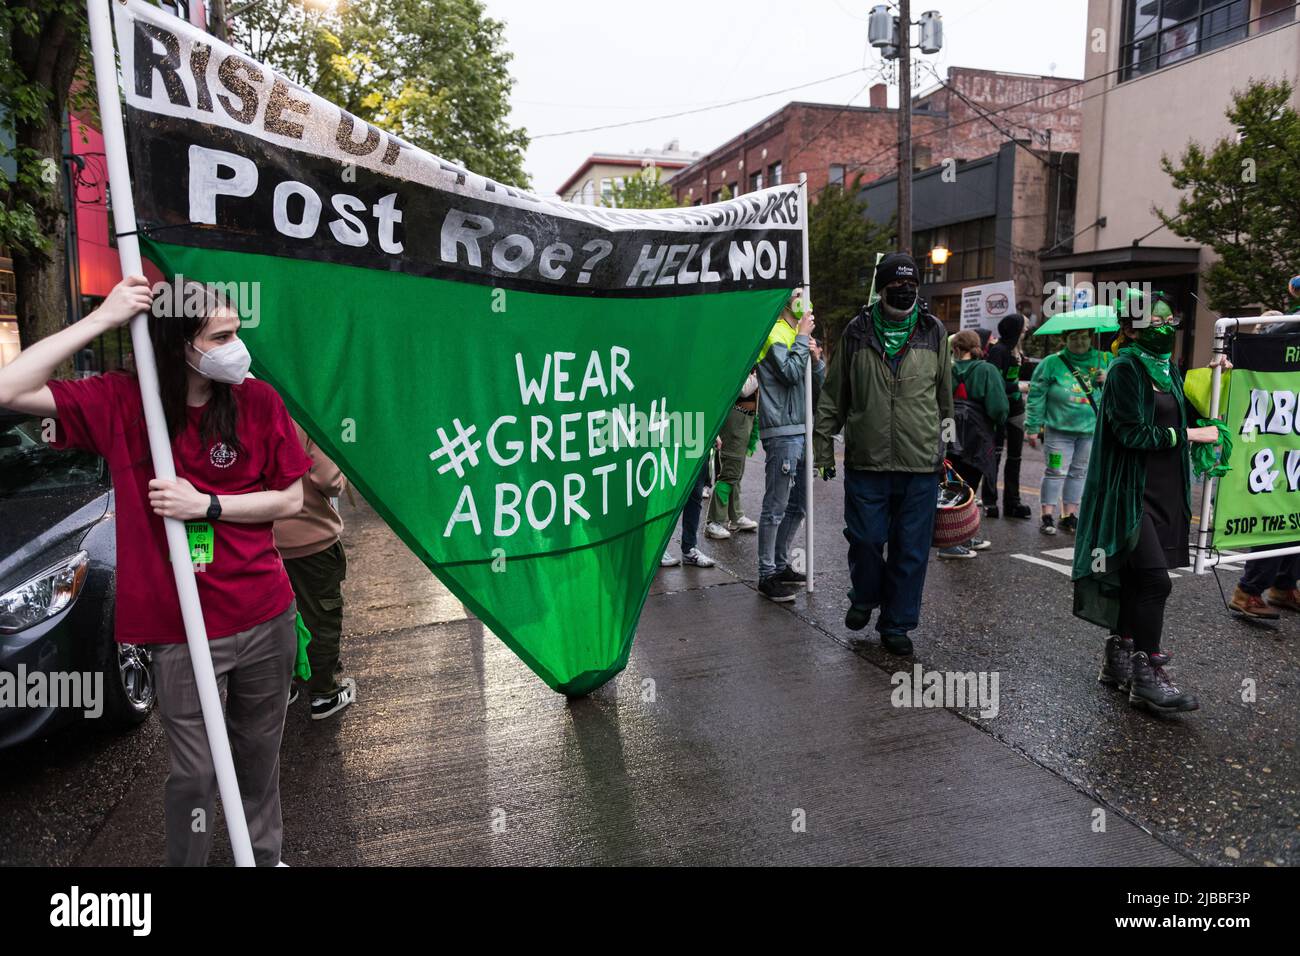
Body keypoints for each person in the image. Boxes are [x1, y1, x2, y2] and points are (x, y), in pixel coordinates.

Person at [0, 276, 312, 863]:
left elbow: (290, 499)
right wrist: (101, 318)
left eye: (235, 334)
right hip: (182, 630)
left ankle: (264, 857)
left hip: (265, 614)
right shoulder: (123, 403)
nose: (234, 348)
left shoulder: (257, 400)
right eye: (220, 337)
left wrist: (208, 506)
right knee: (194, 773)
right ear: (178, 346)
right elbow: (9, 388)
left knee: (258, 754)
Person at [1072, 292, 1220, 714]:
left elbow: (1188, 412)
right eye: (1157, 321)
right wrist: (1190, 437)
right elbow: (1132, 434)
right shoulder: (1125, 368)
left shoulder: (1166, 367)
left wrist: (1214, 376)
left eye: (1170, 319)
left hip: (1163, 491)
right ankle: (1146, 674)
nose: (1167, 327)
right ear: (1132, 328)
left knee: (1138, 581)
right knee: (1156, 582)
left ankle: (1119, 657)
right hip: (1126, 493)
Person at [814, 253, 952, 655]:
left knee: (911, 549)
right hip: (866, 461)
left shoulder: (933, 331)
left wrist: (947, 445)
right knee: (866, 539)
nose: (905, 291)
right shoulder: (856, 332)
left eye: (911, 285)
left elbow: (944, 395)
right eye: (896, 285)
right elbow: (834, 395)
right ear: (882, 287)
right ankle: (864, 595)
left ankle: (897, 623)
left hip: (920, 462)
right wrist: (824, 445)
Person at [274, 422, 357, 719]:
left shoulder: (245, 403)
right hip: (311, 539)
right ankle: (324, 692)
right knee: (320, 617)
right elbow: (328, 478)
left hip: (262, 541)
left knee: (277, 618)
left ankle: (283, 688)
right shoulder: (301, 411)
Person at [754, 291, 824, 602]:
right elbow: (790, 373)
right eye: (797, 294)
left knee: (800, 504)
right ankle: (766, 573)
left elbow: (817, 384)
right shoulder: (774, 333)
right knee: (776, 506)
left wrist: (817, 360)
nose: (804, 299)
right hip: (782, 430)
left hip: (803, 429)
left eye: (806, 294)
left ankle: (781, 565)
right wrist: (801, 339)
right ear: (786, 301)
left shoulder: (799, 336)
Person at [1025, 328, 1109, 536]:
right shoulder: (1051, 363)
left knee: (1079, 472)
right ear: (1065, 340)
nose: (1079, 341)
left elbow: (1122, 391)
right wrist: (1033, 427)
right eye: (1073, 337)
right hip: (1058, 431)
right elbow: (1036, 396)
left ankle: (1068, 515)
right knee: (1055, 471)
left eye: (1083, 337)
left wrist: (1108, 379)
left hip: (1090, 431)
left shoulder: (1105, 360)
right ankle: (1047, 515)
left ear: (1091, 338)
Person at [941, 329, 1007, 559]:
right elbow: (999, 407)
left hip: (948, 430)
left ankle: (959, 536)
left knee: (951, 484)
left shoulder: (946, 370)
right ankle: (953, 542)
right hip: (977, 435)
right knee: (969, 486)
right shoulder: (986, 370)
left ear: (956, 348)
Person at [982, 313, 1032, 519]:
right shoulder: (998, 351)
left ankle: (1013, 503)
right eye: (1024, 326)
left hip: (1016, 410)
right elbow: (994, 383)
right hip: (999, 411)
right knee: (994, 457)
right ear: (1015, 329)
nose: (1027, 329)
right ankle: (990, 502)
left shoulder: (1017, 351)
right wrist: (1018, 385)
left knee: (1015, 458)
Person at [704, 369, 759, 540]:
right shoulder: (739, 357)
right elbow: (743, 389)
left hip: (746, 419)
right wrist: (759, 375)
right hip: (736, 419)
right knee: (730, 472)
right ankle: (714, 522)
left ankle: (735, 516)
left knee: (737, 471)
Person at [662, 437, 721, 569]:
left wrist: (714, 432)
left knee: (695, 495)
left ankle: (689, 549)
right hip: (673, 433)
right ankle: (658, 549)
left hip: (697, 436)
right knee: (667, 495)